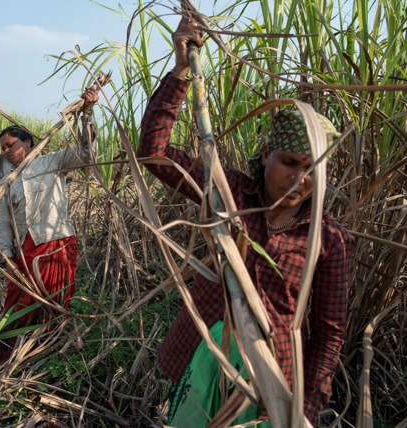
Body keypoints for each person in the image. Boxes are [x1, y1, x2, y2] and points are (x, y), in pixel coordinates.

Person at [137, 19, 353, 426]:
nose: (299, 180)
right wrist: (182, 69)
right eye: (289, 163)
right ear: (267, 153)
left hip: (269, 378)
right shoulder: (228, 192)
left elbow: (329, 333)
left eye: (312, 172)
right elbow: (155, 152)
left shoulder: (328, 240)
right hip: (204, 353)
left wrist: (302, 410)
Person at [0, 87, 99, 366]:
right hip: (24, 253)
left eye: (11, 144)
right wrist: (6, 254)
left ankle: (47, 352)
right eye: (3, 147)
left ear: (27, 143)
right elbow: (5, 221)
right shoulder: (7, 180)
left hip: (57, 244)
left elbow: (87, 153)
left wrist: (87, 114)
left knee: (55, 301)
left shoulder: (53, 162)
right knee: (17, 304)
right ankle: (7, 357)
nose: (6, 151)